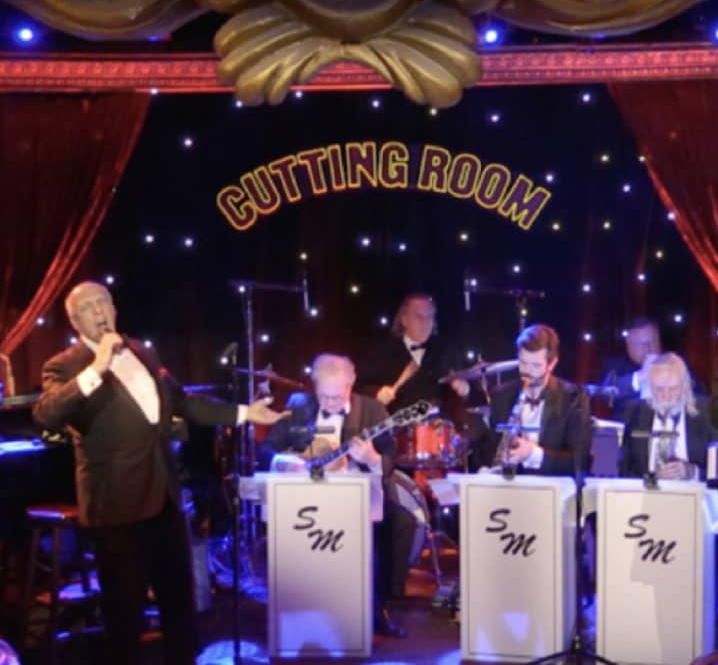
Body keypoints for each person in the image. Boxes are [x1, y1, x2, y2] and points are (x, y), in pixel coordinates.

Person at [32, 281, 289, 665]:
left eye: (103, 301)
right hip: (116, 507)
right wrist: (98, 365)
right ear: (74, 321)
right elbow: (46, 414)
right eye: (87, 306)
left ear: (115, 309)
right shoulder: (65, 365)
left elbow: (184, 403)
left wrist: (244, 413)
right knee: (125, 616)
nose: (98, 310)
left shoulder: (142, 351)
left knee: (179, 604)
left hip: (164, 497)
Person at [257, 353, 415, 638]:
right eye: (323, 396)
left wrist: (372, 458)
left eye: (336, 396)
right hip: (307, 498)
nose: (329, 402)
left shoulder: (372, 410)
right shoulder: (298, 404)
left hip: (357, 496)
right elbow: (266, 448)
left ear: (350, 384)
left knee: (399, 522)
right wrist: (283, 461)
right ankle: (294, 604)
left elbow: (391, 459)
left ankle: (377, 608)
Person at [479, 323, 591, 475]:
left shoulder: (574, 397)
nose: (527, 372)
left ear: (552, 364)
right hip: (511, 484)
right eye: (523, 363)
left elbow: (580, 461)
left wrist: (533, 454)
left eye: (536, 365)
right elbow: (489, 448)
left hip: (553, 486)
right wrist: (486, 467)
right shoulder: (502, 395)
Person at [358, 293, 469, 413]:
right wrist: (377, 392)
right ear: (404, 320)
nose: (425, 323)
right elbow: (357, 386)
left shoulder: (446, 351)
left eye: (429, 317)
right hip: (396, 421)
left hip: (438, 421)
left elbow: (459, 400)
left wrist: (464, 390)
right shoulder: (381, 351)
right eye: (419, 317)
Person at [620, 352, 718, 480]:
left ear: (685, 386)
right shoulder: (633, 412)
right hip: (647, 491)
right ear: (650, 387)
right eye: (659, 389)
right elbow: (622, 470)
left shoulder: (709, 412)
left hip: (695, 491)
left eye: (673, 389)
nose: (666, 396)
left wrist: (692, 472)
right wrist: (652, 478)